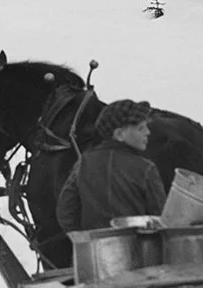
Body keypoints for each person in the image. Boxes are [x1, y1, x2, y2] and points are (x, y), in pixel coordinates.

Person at [55, 98, 167, 235]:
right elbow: (160, 218)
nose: (148, 132)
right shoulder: (146, 168)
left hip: (95, 251)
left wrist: (84, 238)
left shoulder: (83, 163)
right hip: (138, 251)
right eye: (141, 128)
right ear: (119, 134)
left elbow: (65, 212)